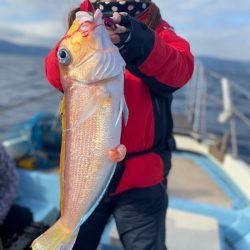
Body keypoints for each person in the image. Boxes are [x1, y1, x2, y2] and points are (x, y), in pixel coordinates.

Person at [45, 0, 194, 249]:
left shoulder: (161, 34)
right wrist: (85, 29)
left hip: (142, 179)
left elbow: (179, 71)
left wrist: (133, 40)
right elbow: (55, 72)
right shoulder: (84, 28)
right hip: (87, 172)